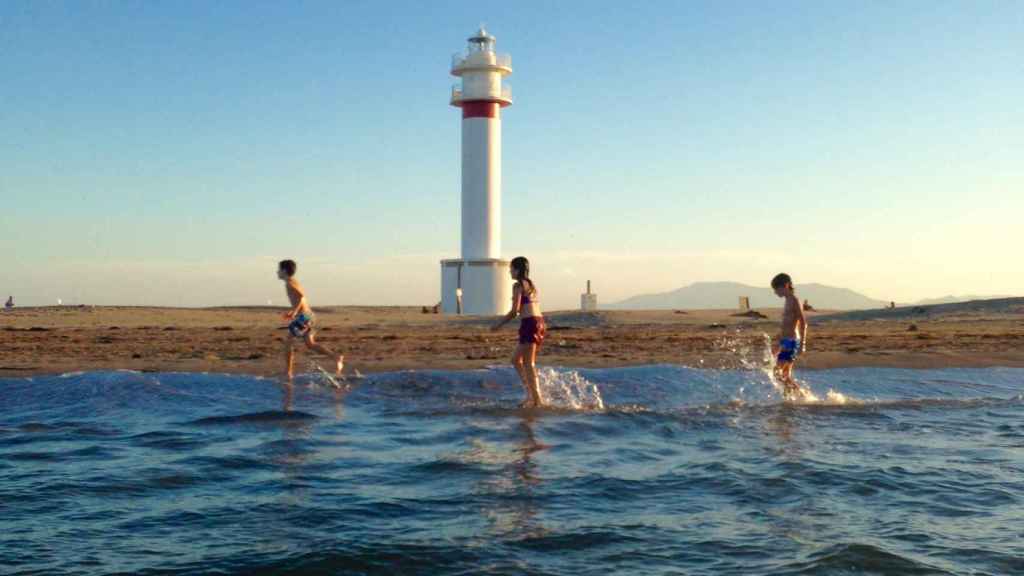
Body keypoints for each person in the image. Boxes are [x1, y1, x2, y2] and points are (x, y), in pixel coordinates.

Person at [277, 259, 344, 381]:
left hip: (305, 317)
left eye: (279, 269)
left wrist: (296, 311)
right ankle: (335, 357)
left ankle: (288, 373)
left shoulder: (290, 283)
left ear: (284, 271)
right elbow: (299, 299)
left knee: (288, 343)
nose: (277, 272)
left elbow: (302, 296)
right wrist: (293, 311)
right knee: (310, 344)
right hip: (308, 316)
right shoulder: (292, 282)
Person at [492, 256, 546, 408]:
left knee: (528, 363)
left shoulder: (517, 286)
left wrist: (498, 324)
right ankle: (532, 396)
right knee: (517, 360)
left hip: (530, 324)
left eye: (511, 269)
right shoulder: (531, 284)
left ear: (517, 269)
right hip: (539, 323)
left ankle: (536, 400)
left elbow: (515, 311)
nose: (509, 271)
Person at [771, 273, 807, 398]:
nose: (775, 292)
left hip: (791, 341)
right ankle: (789, 401)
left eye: (776, 289)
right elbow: (786, 324)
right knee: (785, 375)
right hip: (785, 341)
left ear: (785, 285)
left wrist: (803, 344)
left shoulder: (794, 300)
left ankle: (803, 397)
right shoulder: (787, 301)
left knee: (777, 374)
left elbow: (803, 322)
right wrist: (778, 344)